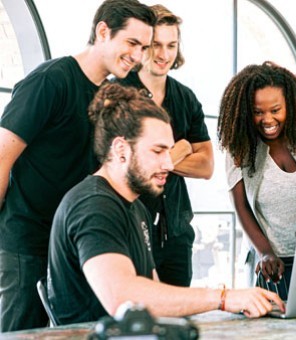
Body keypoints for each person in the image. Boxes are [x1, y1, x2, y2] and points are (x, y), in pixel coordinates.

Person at [47, 83, 283, 325]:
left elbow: (156, 294)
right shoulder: (94, 206)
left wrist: (234, 303)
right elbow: (124, 299)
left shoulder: (136, 208)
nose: (169, 164)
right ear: (120, 149)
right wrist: (223, 298)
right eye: (158, 151)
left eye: (169, 151)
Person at [0, 0, 156, 331]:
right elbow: (1, 157)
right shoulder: (49, 81)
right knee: (21, 333)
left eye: (144, 47)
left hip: (78, 242)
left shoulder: (117, 93)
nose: (139, 56)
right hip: (29, 239)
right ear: (103, 31)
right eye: (132, 43)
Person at [217, 61, 296, 299]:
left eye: (275, 110)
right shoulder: (239, 145)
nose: (267, 119)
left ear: (291, 104)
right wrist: (265, 253)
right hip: (275, 266)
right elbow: (241, 206)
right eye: (258, 112)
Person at [116, 4, 213, 287]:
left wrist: (158, 158)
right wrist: (182, 149)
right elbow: (121, 164)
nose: (164, 54)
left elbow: (207, 165)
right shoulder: (118, 94)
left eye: (171, 45)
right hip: (129, 228)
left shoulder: (186, 98)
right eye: (155, 45)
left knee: (176, 321)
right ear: (143, 45)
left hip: (177, 233)